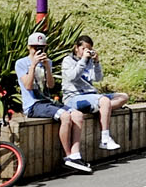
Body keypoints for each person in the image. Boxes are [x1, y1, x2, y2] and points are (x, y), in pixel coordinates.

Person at [15, 30, 90, 172]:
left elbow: (50, 85)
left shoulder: (47, 61)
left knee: (78, 115)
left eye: (41, 48)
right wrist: (33, 65)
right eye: (35, 47)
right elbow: (28, 86)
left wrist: (47, 66)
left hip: (48, 102)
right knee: (65, 116)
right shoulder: (21, 63)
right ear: (29, 47)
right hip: (33, 105)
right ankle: (67, 156)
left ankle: (75, 155)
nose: (38, 50)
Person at [61, 35, 130, 149]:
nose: (86, 52)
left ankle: (101, 108)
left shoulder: (89, 62)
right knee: (104, 101)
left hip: (91, 96)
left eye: (89, 49)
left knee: (123, 97)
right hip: (74, 97)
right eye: (84, 49)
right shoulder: (68, 60)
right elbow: (72, 77)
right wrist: (83, 60)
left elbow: (98, 78)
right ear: (76, 48)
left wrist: (97, 62)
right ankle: (105, 139)